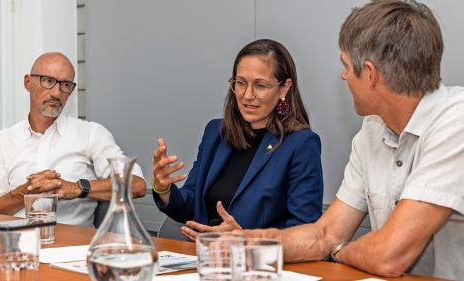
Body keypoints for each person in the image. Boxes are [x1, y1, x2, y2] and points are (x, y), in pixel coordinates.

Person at [240, 1, 464, 279]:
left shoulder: (457, 121)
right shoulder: (371, 130)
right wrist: (248, 243)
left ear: (370, 74)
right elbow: (325, 233)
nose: (343, 75)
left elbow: (388, 256)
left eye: (346, 65)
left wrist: (340, 250)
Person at [152, 39, 324, 240]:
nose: (247, 95)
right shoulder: (216, 132)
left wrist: (244, 239)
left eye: (260, 85)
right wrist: (163, 188)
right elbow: (191, 207)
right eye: (240, 83)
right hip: (206, 260)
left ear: (284, 88)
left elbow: (305, 232)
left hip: (261, 265)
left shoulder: (301, 144)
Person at [0, 52, 147, 227]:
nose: (57, 93)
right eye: (48, 81)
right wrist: (25, 192)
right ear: (28, 83)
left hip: (75, 249)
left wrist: (77, 188)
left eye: (65, 85)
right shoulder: (1, 142)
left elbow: (137, 185)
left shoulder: (91, 134)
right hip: (17, 247)